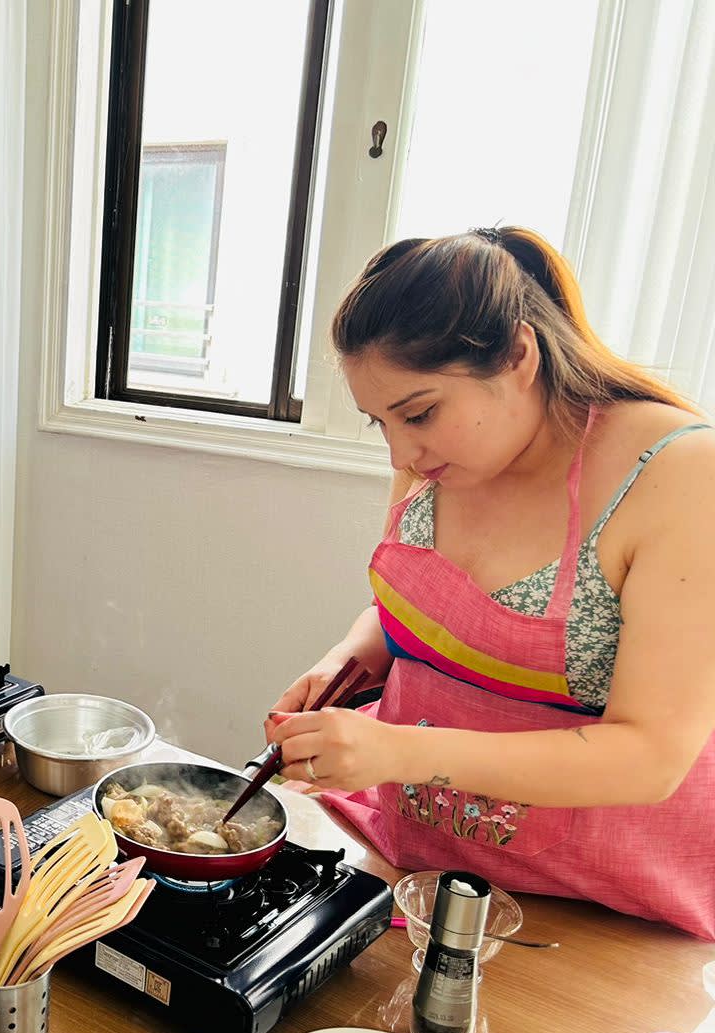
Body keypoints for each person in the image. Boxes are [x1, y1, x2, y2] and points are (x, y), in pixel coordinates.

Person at [266, 227, 715, 939]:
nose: (401, 452)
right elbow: (415, 611)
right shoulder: (436, 457)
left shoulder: (680, 474)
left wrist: (400, 751)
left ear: (518, 356)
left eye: (419, 413)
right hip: (414, 857)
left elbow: (651, 756)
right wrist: (345, 663)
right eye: (379, 422)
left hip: (605, 905)